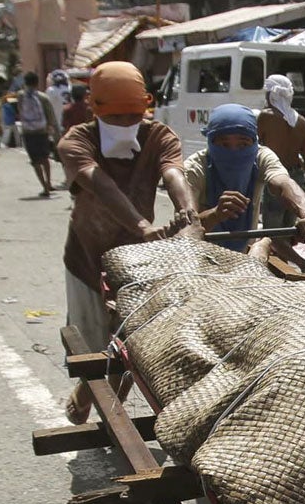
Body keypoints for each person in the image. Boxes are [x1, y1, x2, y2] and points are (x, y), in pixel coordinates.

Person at [56, 61, 198, 423]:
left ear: (146, 105)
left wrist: (187, 211)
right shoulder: (76, 142)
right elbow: (100, 184)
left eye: (131, 117)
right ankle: (86, 394)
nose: (124, 126)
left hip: (138, 260)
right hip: (88, 256)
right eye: (115, 118)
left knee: (132, 337)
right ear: (93, 106)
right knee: (91, 342)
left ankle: (110, 409)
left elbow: (173, 173)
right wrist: (141, 224)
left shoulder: (159, 136)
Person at [189, 103, 305, 252]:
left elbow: (283, 183)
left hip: (243, 256)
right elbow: (186, 225)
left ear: (254, 142)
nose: (234, 154)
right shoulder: (195, 168)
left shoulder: (260, 156)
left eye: (243, 144)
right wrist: (215, 214)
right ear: (210, 142)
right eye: (224, 144)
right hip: (198, 256)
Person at [258, 74, 305, 211]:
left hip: (275, 178)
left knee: (273, 230)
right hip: (297, 179)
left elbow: (252, 148)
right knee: (291, 228)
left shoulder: (265, 117)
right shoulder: (301, 122)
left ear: (271, 95)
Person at [15, 71, 58, 197]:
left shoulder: (21, 96)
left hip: (28, 131)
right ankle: (49, 183)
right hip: (42, 131)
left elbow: (19, 110)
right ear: (37, 83)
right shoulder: (43, 97)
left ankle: (44, 186)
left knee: (35, 161)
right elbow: (50, 115)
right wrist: (52, 128)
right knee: (45, 158)